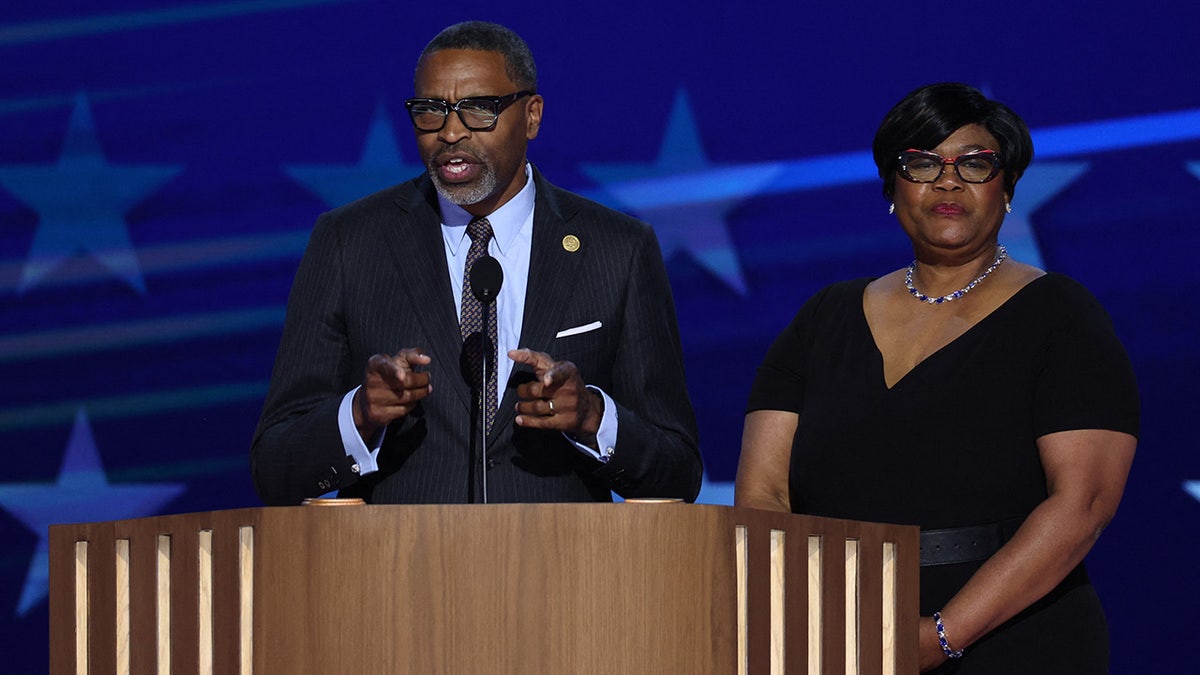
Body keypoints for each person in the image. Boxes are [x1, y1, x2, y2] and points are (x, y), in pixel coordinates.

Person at [735, 83, 1138, 673]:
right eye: (922, 164)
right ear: (891, 188)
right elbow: (763, 496)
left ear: (1007, 188)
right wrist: (816, 618)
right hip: (840, 637)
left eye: (974, 164)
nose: (948, 182)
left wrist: (938, 637)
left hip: (1013, 640)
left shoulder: (1062, 316)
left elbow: (1084, 504)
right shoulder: (823, 319)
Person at [251, 21, 701, 506]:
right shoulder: (349, 243)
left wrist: (592, 417)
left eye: (479, 109)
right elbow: (275, 468)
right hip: (396, 554)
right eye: (430, 110)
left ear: (532, 116)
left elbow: (677, 474)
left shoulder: (617, 249)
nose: (450, 132)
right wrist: (360, 414)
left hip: (562, 553)